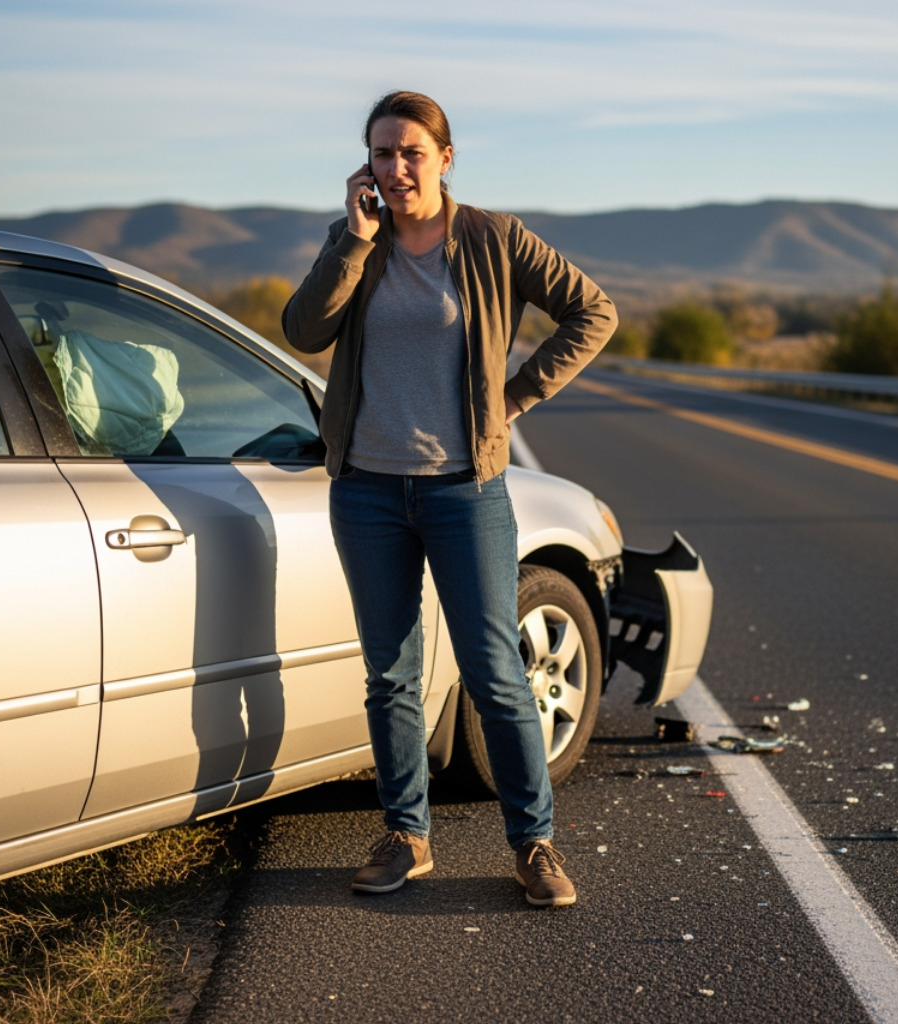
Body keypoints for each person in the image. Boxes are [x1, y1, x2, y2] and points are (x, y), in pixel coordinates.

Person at [282, 91, 616, 907]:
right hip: (366, 489)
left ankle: (533, 845)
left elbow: (592, 311)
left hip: (465, 490)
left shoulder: (493, 238)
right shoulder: (357, 242)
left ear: (445, 157)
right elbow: (303, 329)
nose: (396, 170)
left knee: (494, 672)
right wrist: (352, 243)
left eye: (410, 154)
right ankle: (406, 835)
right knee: (390, 675)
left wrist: (520, 394)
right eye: (381, 156)